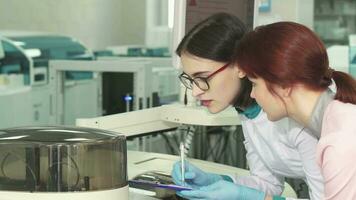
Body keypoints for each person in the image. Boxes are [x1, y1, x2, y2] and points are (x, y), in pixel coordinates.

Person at [171, 13, 324, 200]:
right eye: (190, 79)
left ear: (239, 66)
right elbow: (267, 184)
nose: (195, 92)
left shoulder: (295, 112)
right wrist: (215, 181)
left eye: (202, 77)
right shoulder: (249, 110)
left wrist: (248, 197)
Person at [234, 21, 356, 200]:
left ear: (283, 85)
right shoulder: (337, 118)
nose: (252, 94)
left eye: (254, 84)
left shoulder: (340, 142)